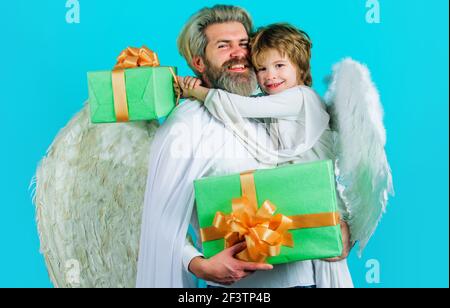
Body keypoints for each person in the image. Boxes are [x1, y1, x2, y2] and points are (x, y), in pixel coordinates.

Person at [136, 5, 352, 288]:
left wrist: (344, 225)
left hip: (314, 278)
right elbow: (158, 217)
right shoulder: (185, 126)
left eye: (244, 44)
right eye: (224, 46)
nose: (238, 53)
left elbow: (318, 173)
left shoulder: (273, 107)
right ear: (199, 62)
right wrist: (199, 264)